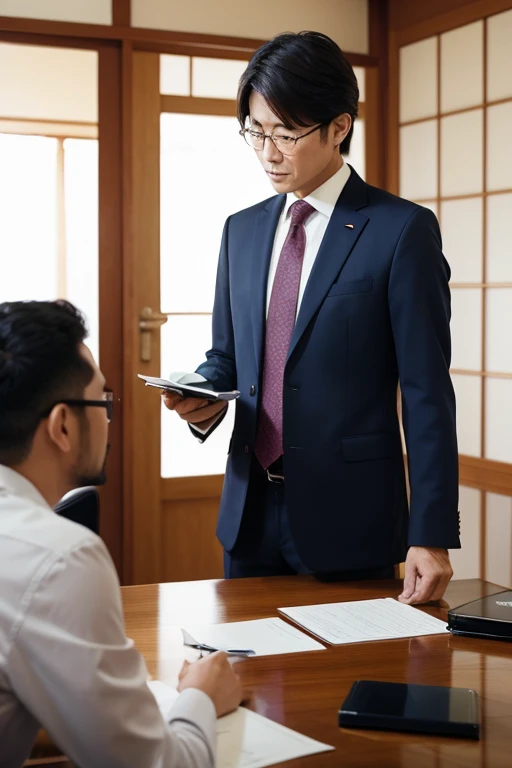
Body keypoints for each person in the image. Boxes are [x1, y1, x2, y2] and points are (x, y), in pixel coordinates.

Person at [164, 31, 460, 604]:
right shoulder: (241, 230)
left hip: (352, 517)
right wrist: (198, 397)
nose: (268, 152)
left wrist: (431, 533)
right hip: (248, 515)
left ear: (339, 127)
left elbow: (427, 391)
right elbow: (227, 358)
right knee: (245, 681)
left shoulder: (400, 231)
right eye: (254, 131)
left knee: (345, 686)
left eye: (285, 133)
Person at [0, 300, 242, 768]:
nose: (110, 419)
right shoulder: (59, 558)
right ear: (63, 425)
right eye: (103, 402)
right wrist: (201, 696)